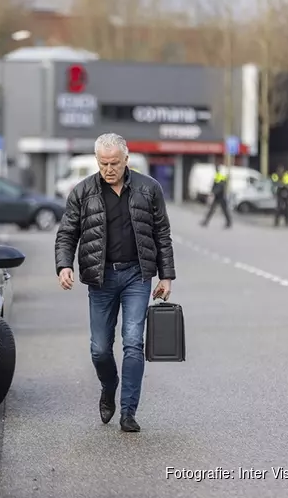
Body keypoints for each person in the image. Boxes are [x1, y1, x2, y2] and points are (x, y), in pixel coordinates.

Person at [54, 132, 176, 433]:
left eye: (115, 163)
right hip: (101, 278)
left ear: (127, 160)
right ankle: (109, 386)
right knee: (99, 349)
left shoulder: (149, 189)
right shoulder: (82, 192)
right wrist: (64, 266)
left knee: (133, 342)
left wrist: (167, 275)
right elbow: (67, 234)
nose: (109, 169)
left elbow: (162, 234)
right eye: (103, 163)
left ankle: (128, 412)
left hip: (137, 274)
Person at [201, 164, 232, 228]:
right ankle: (205, 222)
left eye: (216, 168)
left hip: (221, 197)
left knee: (224, 210)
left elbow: (220, 187)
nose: (216, 170)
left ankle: (229, 223)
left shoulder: (220, 176)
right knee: (212, 210)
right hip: (218, 196)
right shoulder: (217, 176)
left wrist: (213, 192)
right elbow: (214, 185)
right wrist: (212, 191)